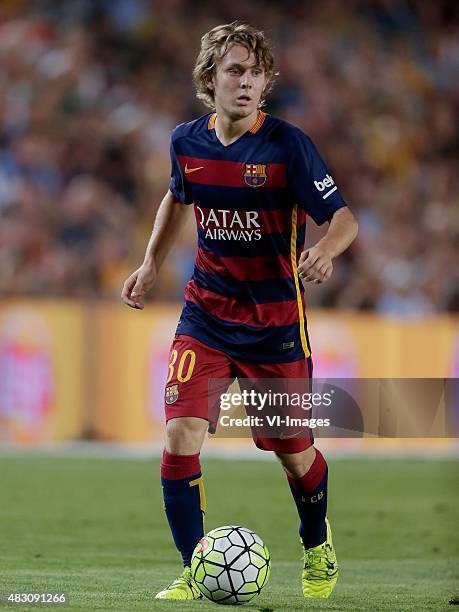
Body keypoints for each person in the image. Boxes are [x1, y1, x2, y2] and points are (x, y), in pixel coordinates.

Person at [121, 21, 358, 601]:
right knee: (180, 434)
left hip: (275, 326)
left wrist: (325, 249)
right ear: (211, 79)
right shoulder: (187, 142)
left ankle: (316, 543)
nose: (247, 83)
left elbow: (345, 218)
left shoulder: (287, 146)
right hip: (204, 315)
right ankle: (191, 568)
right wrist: (152, 263)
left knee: (295, 456)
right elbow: (177, 197)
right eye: (235, 71)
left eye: (257, 73)